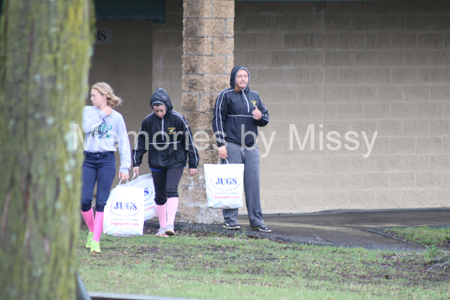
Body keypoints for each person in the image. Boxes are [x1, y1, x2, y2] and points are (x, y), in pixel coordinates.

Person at [212, 65, 271, 233]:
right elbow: (217, 120)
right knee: (231, 184)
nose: (243, 79)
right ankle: (230, 220)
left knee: (253, 184)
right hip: (232, 145)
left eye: (245, 76)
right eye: (240, 76)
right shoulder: (226, 95)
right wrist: (221, 145)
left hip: (251, 147)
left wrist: (261, 117)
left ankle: (257, 221)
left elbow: (265, 118)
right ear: (234, 78)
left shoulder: (255, 96)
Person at [132, 88, 198, 237]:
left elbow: (189, 141)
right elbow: (141, 142)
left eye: (161, 110)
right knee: (159, 195)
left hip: (176, 161)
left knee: (171, 189)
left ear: (167, 106)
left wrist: (193, 163)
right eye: (156, 111)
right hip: (157, 162)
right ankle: (162, 228)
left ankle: (170, 224)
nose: (159, 113)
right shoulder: (148, 121)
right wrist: (136, 162)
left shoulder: (178, 119)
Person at [81, 82, 131, 253]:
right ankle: (93, 230)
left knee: (101, 201)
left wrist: (125, 167)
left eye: (94, 95)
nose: (91, 98)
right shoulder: (88, 111)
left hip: (106, 161)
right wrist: (102, 114)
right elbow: (86, 127)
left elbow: (124, 142)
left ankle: (95, 240)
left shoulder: (117, 117)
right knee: (84, 200)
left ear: (104, 96)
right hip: (89, 159)